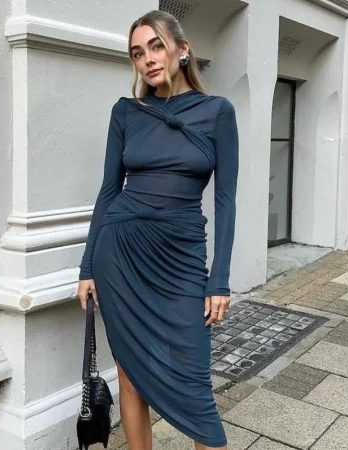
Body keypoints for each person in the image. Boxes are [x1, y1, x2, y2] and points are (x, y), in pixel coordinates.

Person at [77, 9, 239, 450]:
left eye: (156, 46)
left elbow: (225, 201)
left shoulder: (217, 112)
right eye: (137, 53)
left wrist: (219, 279)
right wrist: (87, 267)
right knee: (130, 375)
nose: (147, 59)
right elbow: (109, 191)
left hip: (182, 259)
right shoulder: (127, 112)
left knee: (194, 384)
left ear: (181, 50)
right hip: (121, 254)